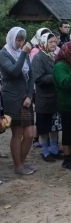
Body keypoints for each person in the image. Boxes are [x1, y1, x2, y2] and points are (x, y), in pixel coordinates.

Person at [0, 27, 36, 175]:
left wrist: (29, 96)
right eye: (18, 39)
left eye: (22, 39)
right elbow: (14, 71)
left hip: (25, 97)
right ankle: (18, 166)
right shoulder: (3, 54)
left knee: (30, 134)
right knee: (18, 133)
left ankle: (22, 162)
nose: (20, 43)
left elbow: (31, 75)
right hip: (12, 98)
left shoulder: (23, 52)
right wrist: (24, 53)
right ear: (11, 38)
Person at [32, 33, 63, 162]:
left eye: (55, 42)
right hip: (44, 98)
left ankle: (54, 148)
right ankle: (45, 150)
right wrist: (55, 77)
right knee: (44, 126)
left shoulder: (54, 56)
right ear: (43, 42)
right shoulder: (39, 57)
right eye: (50, 42)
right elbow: (38, 79)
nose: (54, 44)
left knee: (55, 125)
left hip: (54, 98)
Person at [53, 41, 71, 169]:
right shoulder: (60, 66)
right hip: (66, 104)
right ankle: (67, 158)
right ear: (66, 52)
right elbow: (65, 84)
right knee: (68, 131)